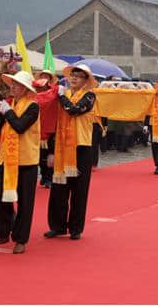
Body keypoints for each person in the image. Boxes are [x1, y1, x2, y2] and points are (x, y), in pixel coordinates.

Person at [0, 71, 40, 254]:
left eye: (17, 85)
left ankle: (21, 238)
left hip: (26, 160)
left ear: (25, 89)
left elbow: (20, 126)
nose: (13, 88)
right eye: (12, 84)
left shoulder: (33, 107)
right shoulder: (9, 105)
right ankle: (1, 231)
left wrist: (7, 112)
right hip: (5, 158)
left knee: (25, 202)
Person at [45, 64, 97, 240]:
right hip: (61, 146)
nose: (74, 78)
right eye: (72, 75)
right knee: (59, 188)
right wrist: (51, 151)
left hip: (81, 147)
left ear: (85, 81)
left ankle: (76, 228)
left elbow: (74, 110)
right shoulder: (62, 96)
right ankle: (57, 226)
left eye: (79, 76)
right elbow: (53, 123)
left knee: (79, 189)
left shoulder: (90, 96)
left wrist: (60, 96)